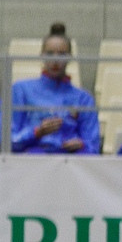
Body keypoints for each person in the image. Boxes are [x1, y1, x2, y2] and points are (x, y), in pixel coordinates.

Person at [10, 23, 99, 154]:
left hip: (72, 164)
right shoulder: (21, 90)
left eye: (62, 54)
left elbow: (93, 147)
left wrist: (81, 145)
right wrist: (36, 132)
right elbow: (9, 142)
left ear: (70, 57)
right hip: (31, 163)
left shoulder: (84, 99)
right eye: (50, 53)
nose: (56, 60)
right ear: (41, 55)